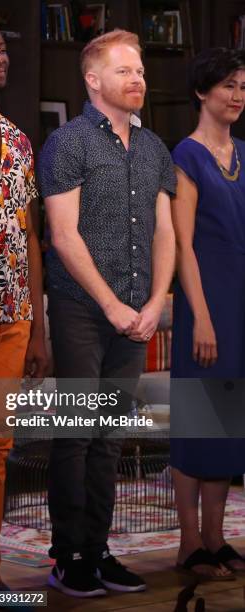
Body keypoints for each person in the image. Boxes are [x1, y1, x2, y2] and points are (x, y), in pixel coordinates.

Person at [38, 29, 176, 598]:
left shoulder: (154, 149)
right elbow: (64, 236)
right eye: (125, 70)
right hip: (80, 310)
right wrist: (113, 305)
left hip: (137, 313)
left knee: (111, 437)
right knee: (73, 433)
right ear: (93, 80)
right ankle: (66, 556)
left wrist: (153, 303)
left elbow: (166, 232)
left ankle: (98, 552)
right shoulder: (67, 144)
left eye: (140, 69)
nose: (138, 78)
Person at [170, 47, 245, 580]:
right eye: (228, 86)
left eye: (243, 86)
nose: (238, 95)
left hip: (240, 303)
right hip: (206, 302)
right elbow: (182, 245)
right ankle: (189, 541)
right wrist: (199, 315)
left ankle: (217, 539)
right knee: (200, 421)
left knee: (230, 424)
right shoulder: (186, 155)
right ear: (202, 92)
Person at [0, 22, 47, 591]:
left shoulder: (19, 139)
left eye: (1, 48)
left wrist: (38, 327)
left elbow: (30, 236)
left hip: (13, 318)